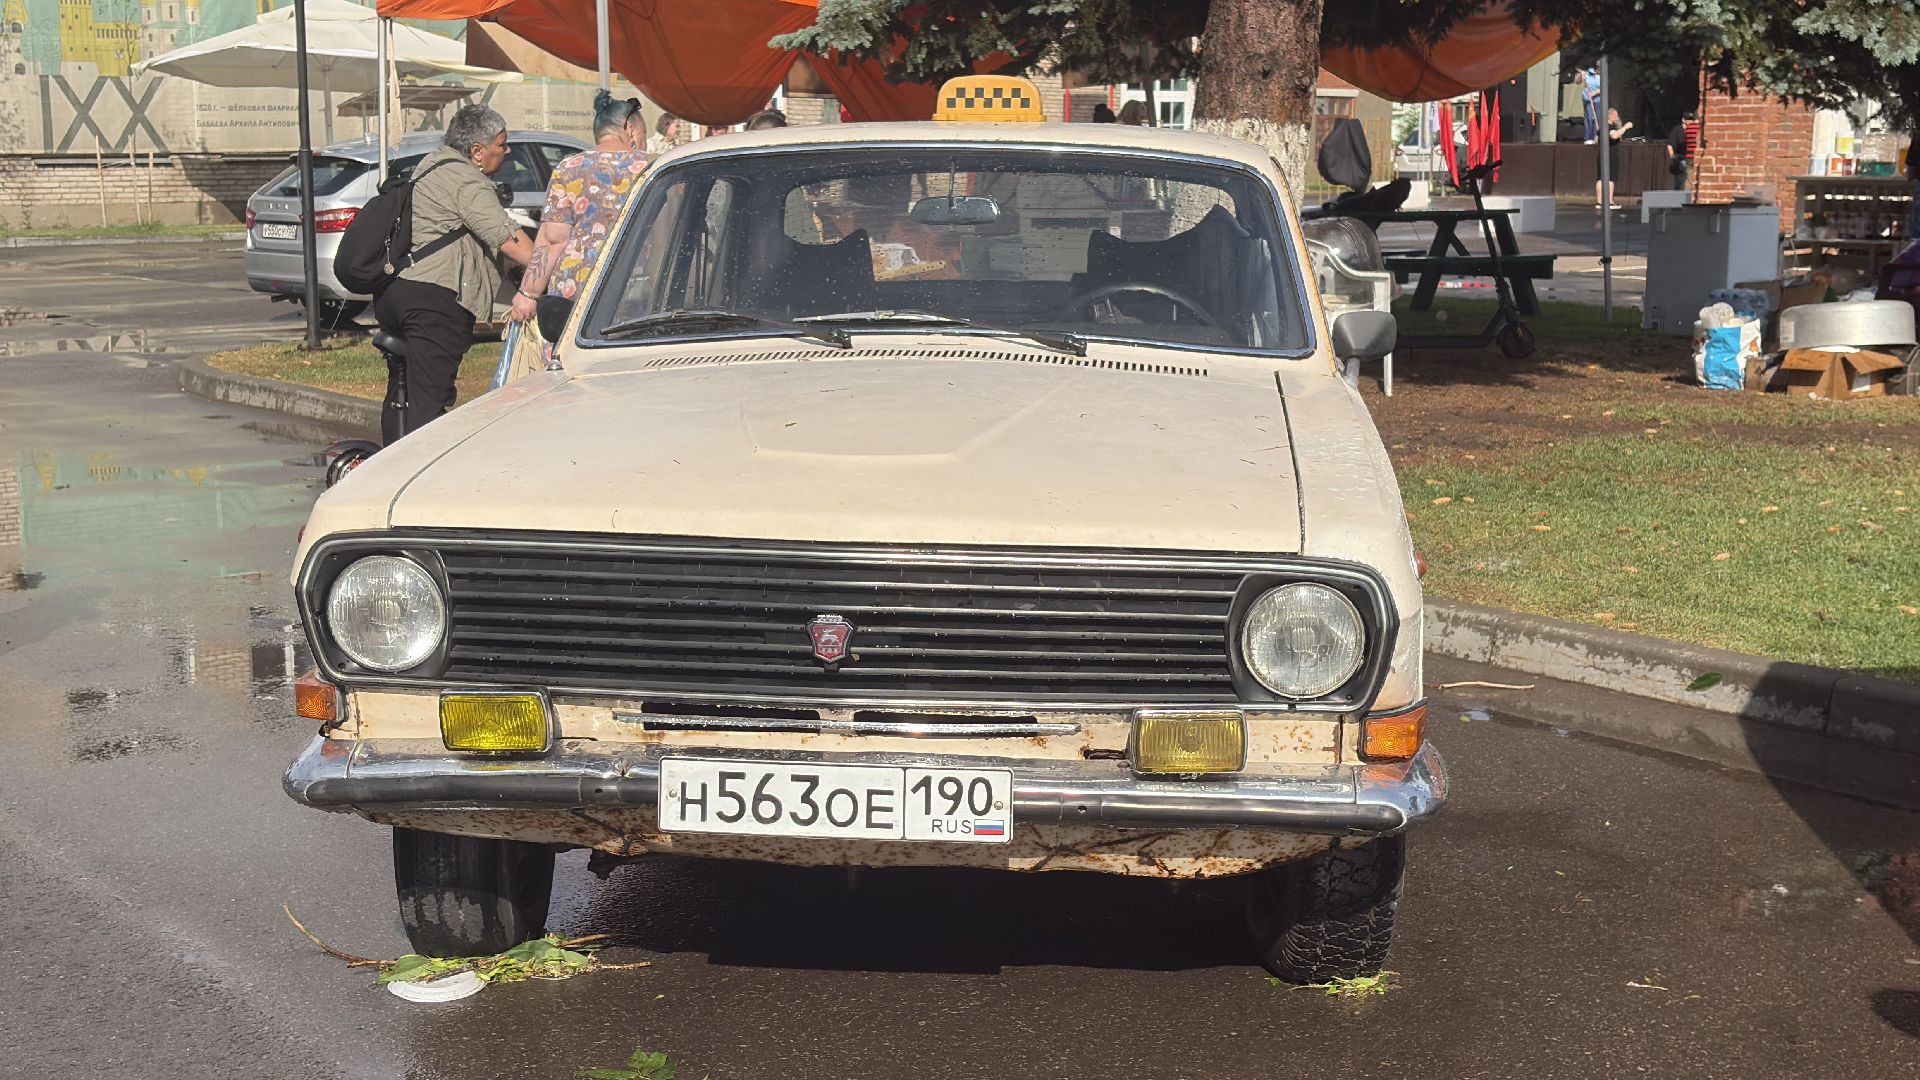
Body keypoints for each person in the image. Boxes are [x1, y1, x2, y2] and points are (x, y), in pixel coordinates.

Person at [375, 104, 535, 441]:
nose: (507, 151)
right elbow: (513, 243)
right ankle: (419, 470)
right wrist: (551, 265)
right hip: (432, 303)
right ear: (477, 151)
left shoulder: (430, 164)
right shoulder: (467, 181)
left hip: (397, 292)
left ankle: (391, 459)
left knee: (404, 393)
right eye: (501, 144)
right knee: (429, 407)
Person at [510, 90, 649, 329]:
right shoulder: (650, 167)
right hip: (636, 289)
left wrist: (528, 293)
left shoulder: (569, 168)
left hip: (575, 292)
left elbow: (553, 240)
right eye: (643, 135)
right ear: (630, 129)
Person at [1594, 107, 1632, 210]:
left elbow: (1596, 140)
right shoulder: (1609, 127)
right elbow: (1614, 135)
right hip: (1610, 156)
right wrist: (1625, 127)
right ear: (1611, 116)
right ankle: (1609, 202)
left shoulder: (1601, 128)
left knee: (1600, 178)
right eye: (1616, 116)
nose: (1617, 118)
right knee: (1610, 178)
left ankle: (1599, 202)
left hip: (1602, 155)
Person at [1665, 109, 1700, 191]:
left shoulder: (1688, 129)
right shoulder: (1678, 130)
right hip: (1680, 157)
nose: (1690, 121)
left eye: (1691, 119)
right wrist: (1672, 156)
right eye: (1688, 119)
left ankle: (1684, 193)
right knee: (1682, 177)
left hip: (1688, 156)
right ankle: (1680, 193)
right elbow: (1670, 144)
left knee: (1687, 177)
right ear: (1683, 120)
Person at [1581, 65, 1601, 143]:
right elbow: (1577, 81)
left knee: (1597, 119)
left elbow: (1603, 88)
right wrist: (1582, 76)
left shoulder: (1602, 76)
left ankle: (1595, 137)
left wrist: (1594, 93)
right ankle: (1587, 138)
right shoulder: (1588, 73)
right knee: (1588, 118)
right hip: (1587, 99)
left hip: (1597, 100)